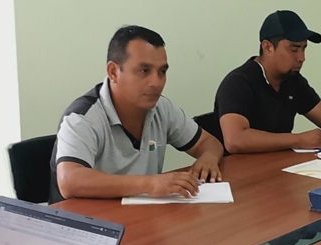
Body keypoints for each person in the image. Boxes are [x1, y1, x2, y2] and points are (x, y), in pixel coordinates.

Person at [51, 28, 225, 202]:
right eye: (144, 71)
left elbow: (207, 142)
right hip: (86, 216)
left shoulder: (161, 107)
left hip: (141, 213)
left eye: (162, 72)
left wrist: (208, 158)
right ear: (113, 72)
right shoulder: (82, 117)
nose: (156, 82)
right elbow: (69, 181)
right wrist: (149, 184)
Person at [214, 11, 321, 155]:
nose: (302, 58)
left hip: (278, 164)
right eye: (294, 49)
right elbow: (235, 140)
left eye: (304, 49)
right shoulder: (238, 82)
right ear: (267, 47)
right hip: (239, 172)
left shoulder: (292, 80)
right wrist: (298, 139)